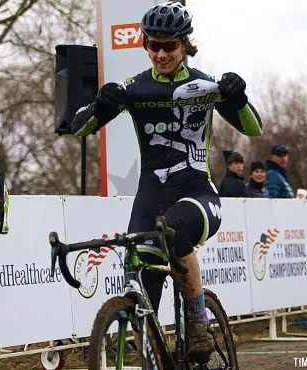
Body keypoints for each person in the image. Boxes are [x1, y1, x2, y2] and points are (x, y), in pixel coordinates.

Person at [62, 2, 262, 363]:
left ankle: (198, 320)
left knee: (172, 231)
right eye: (153, 45)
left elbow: (253, 128)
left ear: (185, 45)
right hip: (149, 197)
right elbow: (77, 126)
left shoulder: (204, 85)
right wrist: (101, 106)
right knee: (138, 278)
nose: (160, 53)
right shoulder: (134, 87)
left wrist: (238, 96)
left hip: (197, 193)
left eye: (169, 46)